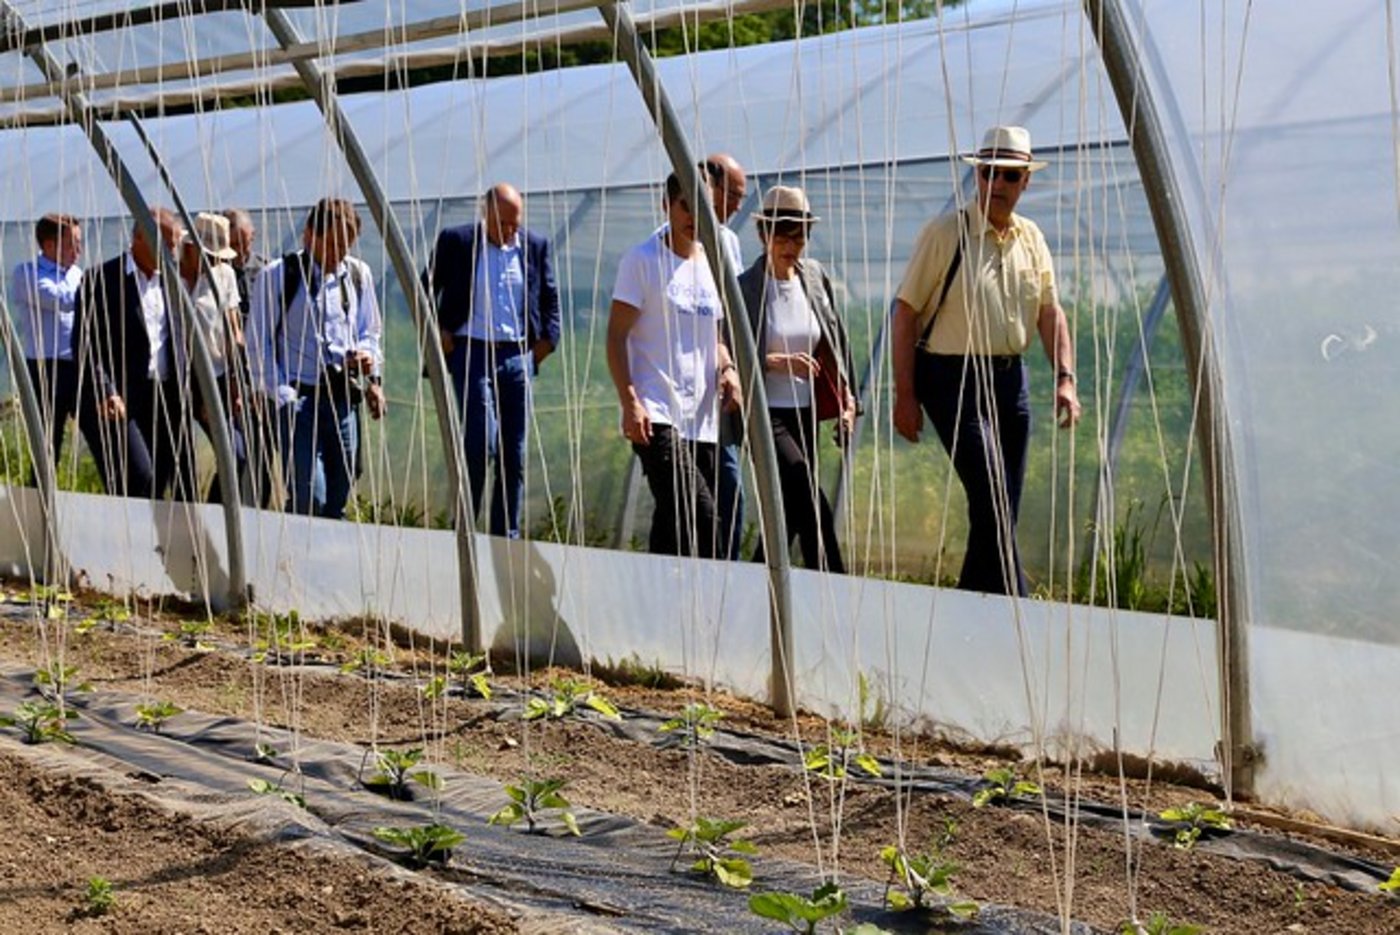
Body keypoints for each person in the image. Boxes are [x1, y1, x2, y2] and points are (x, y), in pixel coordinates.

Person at [891, 126, 1081, 596]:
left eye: (1009, 176)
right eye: (988, 173)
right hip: (951, 379)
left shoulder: (1031, 238)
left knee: (1001, 507)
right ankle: (1015, 605)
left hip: (1009, 381)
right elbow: (904, 313)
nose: (997, 185)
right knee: (993, 497)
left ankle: (972, 605)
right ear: (976, 175)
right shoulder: (944, 233)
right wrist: (905, 395)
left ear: (1025, 182)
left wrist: (1065, 378)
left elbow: (1049, 312)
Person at [607, 172, 743, 558]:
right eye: (686, 204)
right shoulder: (643, 260)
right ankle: (708, 611)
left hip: (702, 418)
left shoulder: (713, 265)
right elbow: (616, 336)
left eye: (704, 207)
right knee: (701, 515)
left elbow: (714, 334)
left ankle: (657, 610)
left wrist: (729, 368)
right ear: (665, 204)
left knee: (673, 526)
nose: (694, 216)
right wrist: (630, 401)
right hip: (657, 412)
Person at [425, 182, 560, 538]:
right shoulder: (457, 242)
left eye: (515, 223)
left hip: (516, 355)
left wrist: (545, 345)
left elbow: (549, 298)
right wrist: (438, 329)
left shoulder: (534, 246)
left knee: (513, 453)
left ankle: (506, 535)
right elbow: (423, 286)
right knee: (478, 442)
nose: (509, 231)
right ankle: (465, 528)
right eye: (502, 223)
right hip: (471, 350)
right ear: (485, 214)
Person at [737, 186, 856, 573]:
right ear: (762, 235)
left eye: (800, 234)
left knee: (789, 512)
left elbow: (835, 339)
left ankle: (755, 587)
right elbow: (729, 353)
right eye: (782, 233)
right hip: (764, 413)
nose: (792, 244)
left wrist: (847, 400)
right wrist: (775, 361)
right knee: (806, 490)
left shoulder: (815, 277)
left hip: (804, 411)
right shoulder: (745, 288)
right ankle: (836, 583)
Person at [247, 197, 386, 518]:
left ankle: (327, 557)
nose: (340, 253)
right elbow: (258, 343)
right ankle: (296, 555)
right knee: (311, 495)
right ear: (309, 235)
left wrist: (370, 366)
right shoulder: (278, 276)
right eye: (334, 243)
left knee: (343, 485)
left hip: (341, 400)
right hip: (299, 400)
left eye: (347, 245)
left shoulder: (356, 275)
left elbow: (370, 331)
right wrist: (282, 395)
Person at [176, 212, 245, 503]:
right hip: (174, 378)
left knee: (236, 455)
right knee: (179, 463)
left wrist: (235, 380)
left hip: (213, 376)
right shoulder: (168, 274)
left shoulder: (225, 275)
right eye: (212, 255)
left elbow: (233, 330)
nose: (217, 261)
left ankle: (218, 516)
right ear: (192, 248)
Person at [701, 154, 749, 560]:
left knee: (730, 489)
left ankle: (727, 572)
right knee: (705, 491)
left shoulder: (729, 241)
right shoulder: (672, 242)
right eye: (733, 194)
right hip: (690, 382)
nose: (737, 205)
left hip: (724, 379)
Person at [10, 214, 83, 482]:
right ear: (50, 246)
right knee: (47, 446)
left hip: (79, 366)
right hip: (45, 369)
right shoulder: (26, 273)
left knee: (106, 436)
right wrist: (97, 291)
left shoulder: (77, 274)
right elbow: (60, 299)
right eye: (73, 243)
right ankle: (40, 507)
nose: (79, 251)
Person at [223, 208, 276, 507]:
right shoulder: (215, 270)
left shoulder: (266, 270)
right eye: (237, 243)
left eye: (247, 242)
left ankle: (258, 512)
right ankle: (225, 510)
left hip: (261, 374)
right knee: (238, 453)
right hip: (230, 373)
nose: (243, 250)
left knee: (263, 453)